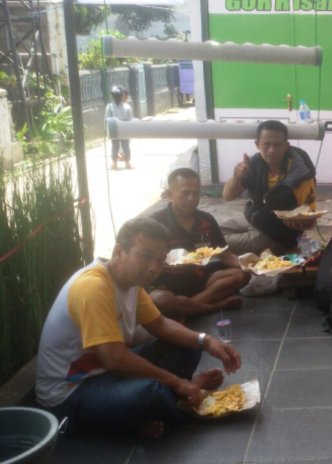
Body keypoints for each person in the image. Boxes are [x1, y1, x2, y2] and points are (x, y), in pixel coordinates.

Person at [35, 217, 242, 437]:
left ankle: (151, 409)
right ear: (118, 252)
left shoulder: (131, 283)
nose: (153, 268)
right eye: (145, 256)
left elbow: (160, 324)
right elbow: (114, 359)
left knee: (189, 346)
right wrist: (177, 382)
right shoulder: (93, 287)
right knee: (150, 394)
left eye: (160, 259)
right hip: (71, 392)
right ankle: (175, 400)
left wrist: (207, 341)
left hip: (106, 372)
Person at [150, 168, 250, 318]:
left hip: (200, 278)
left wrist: (250, 265)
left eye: (195, 193)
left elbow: (225, 254)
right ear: (169, 194)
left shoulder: (206, 220)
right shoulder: (155, 223)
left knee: (241, 275)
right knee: (160, 300)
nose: (191, 198)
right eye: (185, 193)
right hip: (167, 283)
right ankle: (214, 307)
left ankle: (187, 308)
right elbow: (146, 263)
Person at [222, 120, 317, 254]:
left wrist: (299, 222)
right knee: (213, 231)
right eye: (266, 144)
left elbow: (311, 220)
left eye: (277, 145)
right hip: (254, 218)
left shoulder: (301, 175)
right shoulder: (253, 164)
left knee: (219, 242)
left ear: (286, 146)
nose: (272, 150)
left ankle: (287, 250)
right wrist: (237, 176)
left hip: (279, 235)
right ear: (257, 144)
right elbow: (227, 196)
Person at [105, 85, 133, 170]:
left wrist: (106, 131)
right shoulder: (127, 107)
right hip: (124, 130)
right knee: (126, 146)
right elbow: (130, 121)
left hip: (114, 130)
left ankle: (114, 163)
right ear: (122, 96)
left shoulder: (109, 107)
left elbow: (107, 120)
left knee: (115, 146)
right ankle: (127, 163)